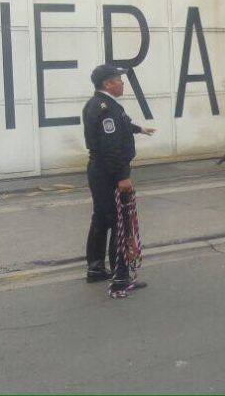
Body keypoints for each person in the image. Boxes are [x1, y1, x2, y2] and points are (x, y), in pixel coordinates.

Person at [83, 64, 155, 299]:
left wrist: (139, 129)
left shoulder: (100, 104)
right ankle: (120, 276)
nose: (122, 83)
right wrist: (123, 176)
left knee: (101, 218)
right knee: (118, 221)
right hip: (108, 171)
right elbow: (111, 146)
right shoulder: (107, 109)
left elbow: (119, 127)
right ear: (107, 84)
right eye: (118, 80)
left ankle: (95, 267)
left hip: (99, 170)